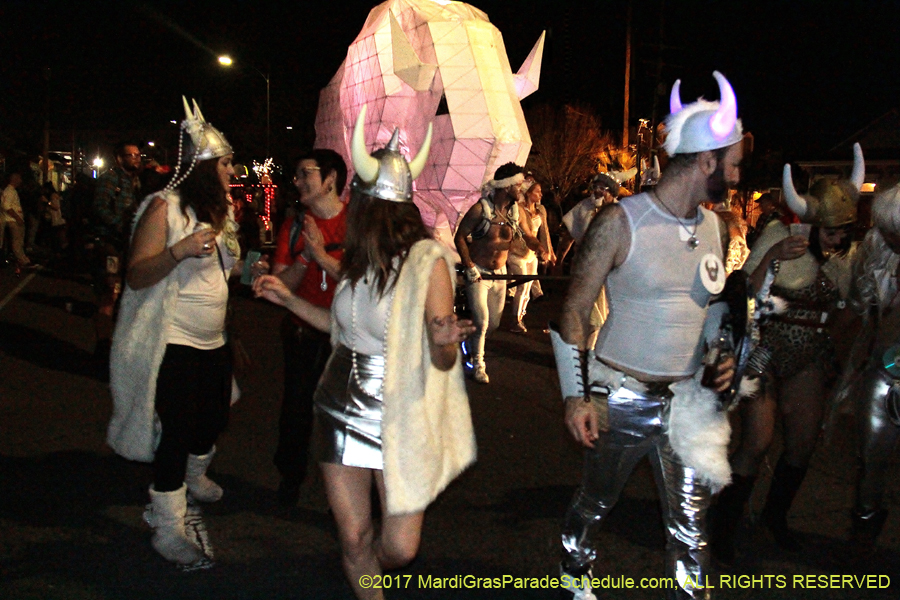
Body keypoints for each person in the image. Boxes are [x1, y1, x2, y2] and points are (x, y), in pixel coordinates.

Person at [253, 107, 476, 600]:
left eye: (360, 201)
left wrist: (444, 347)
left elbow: (441, 359)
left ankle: (369, 574)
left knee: (399, 547)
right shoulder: (357, 259)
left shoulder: (428, 263)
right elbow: (342, 328)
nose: (351, 207)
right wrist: (288, 299)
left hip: (401, 412)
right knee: (353, 536)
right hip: (339, 402)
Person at [552, 71, 742, 600]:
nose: (737, 173)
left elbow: (709, 305)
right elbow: (573, 309)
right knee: (595, 505)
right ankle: (574, 578)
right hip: (620, 396)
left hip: (685, 402)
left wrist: (720, 352)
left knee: (689, 524)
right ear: (706, 162)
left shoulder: (715, 227)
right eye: (733, 163)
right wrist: (577, 396)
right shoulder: (620, 220)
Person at [106, 98, 245, 567]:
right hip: (173, 340)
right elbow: (138, 275)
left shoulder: (222, 208)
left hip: (213, 339)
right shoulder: (163, 207)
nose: (232, 169)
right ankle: (167, 522)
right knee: (178, 427)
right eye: (225, 162)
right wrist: (180, 250)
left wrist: (247, 268)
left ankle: (195, 474)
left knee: (213, 419)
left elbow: (225, 271)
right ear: (205, 166)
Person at [710, 144, 865, 562]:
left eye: (843, 231)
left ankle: (774, 520)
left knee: (802, 444)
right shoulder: (781, 235)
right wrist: (775, 256)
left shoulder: (849, 256)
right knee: (757, 441)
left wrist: (838, 348)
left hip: (810, 355)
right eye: (830, 230)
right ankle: (721, 525)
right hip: (765, 350)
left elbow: (852, 308)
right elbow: (743, 288)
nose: (838, 238)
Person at [270, 148, 348, 507]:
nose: (298, 181)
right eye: (297, 174)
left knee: (348, 412)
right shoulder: (294, 225)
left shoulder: (356, 224)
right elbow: (279, 283)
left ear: (330, 179)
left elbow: (367, 282)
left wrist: (322, 256)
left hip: (348, 335)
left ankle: (349, 489)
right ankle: (291, 476)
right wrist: (305, 255)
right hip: (303, 328)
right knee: (297, 408)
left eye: (306, 173)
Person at [841, 183, 900, 555]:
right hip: (884, 371)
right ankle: (863, 531)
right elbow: (857, 313)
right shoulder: (878, 255)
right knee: (871, 458)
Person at [454, 162, 544, 383]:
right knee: (483, 321)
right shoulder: (479, 210)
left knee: (492, 324)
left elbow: (528, 236)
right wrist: (470, 266)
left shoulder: (515, 211)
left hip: (500, 273)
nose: (521, 189)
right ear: (506, 186)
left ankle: (470, 340)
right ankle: (478, 365)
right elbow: (460, 237)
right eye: (518, 185)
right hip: (479, 273)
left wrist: (539, 248)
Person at [92, 141, 143, 360]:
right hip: (110, 243)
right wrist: (120, 225)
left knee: (127, 294)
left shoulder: (136, 181)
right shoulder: (110, 179)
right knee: (108, 293)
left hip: (127, 245)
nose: (135, 158)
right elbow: (99, 208)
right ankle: (103, 346)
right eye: (130, 155)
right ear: (119, 158)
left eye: (138, 155)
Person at [507, 179, 555, 332]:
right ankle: (515, 320)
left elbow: (544, 232)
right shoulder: (518, 209)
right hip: (517, 252)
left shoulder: (541, 210)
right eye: (537, 191)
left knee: (528, 289)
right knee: (523, 286)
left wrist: (549, 252)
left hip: (532, 253)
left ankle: (521, 316)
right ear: (528, 193)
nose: (540, 194)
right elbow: (525, 233)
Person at [2, 172, 36, 270]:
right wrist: (17, 218)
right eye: (19, 179)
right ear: (15, 179)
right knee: (17, 241)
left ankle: (22, 258)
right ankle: (22, 260)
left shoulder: (11, 191)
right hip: (13, 220)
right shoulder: (10, 191)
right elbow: (6, 206)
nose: (21, 181)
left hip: (13, 219)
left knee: (18, 241)